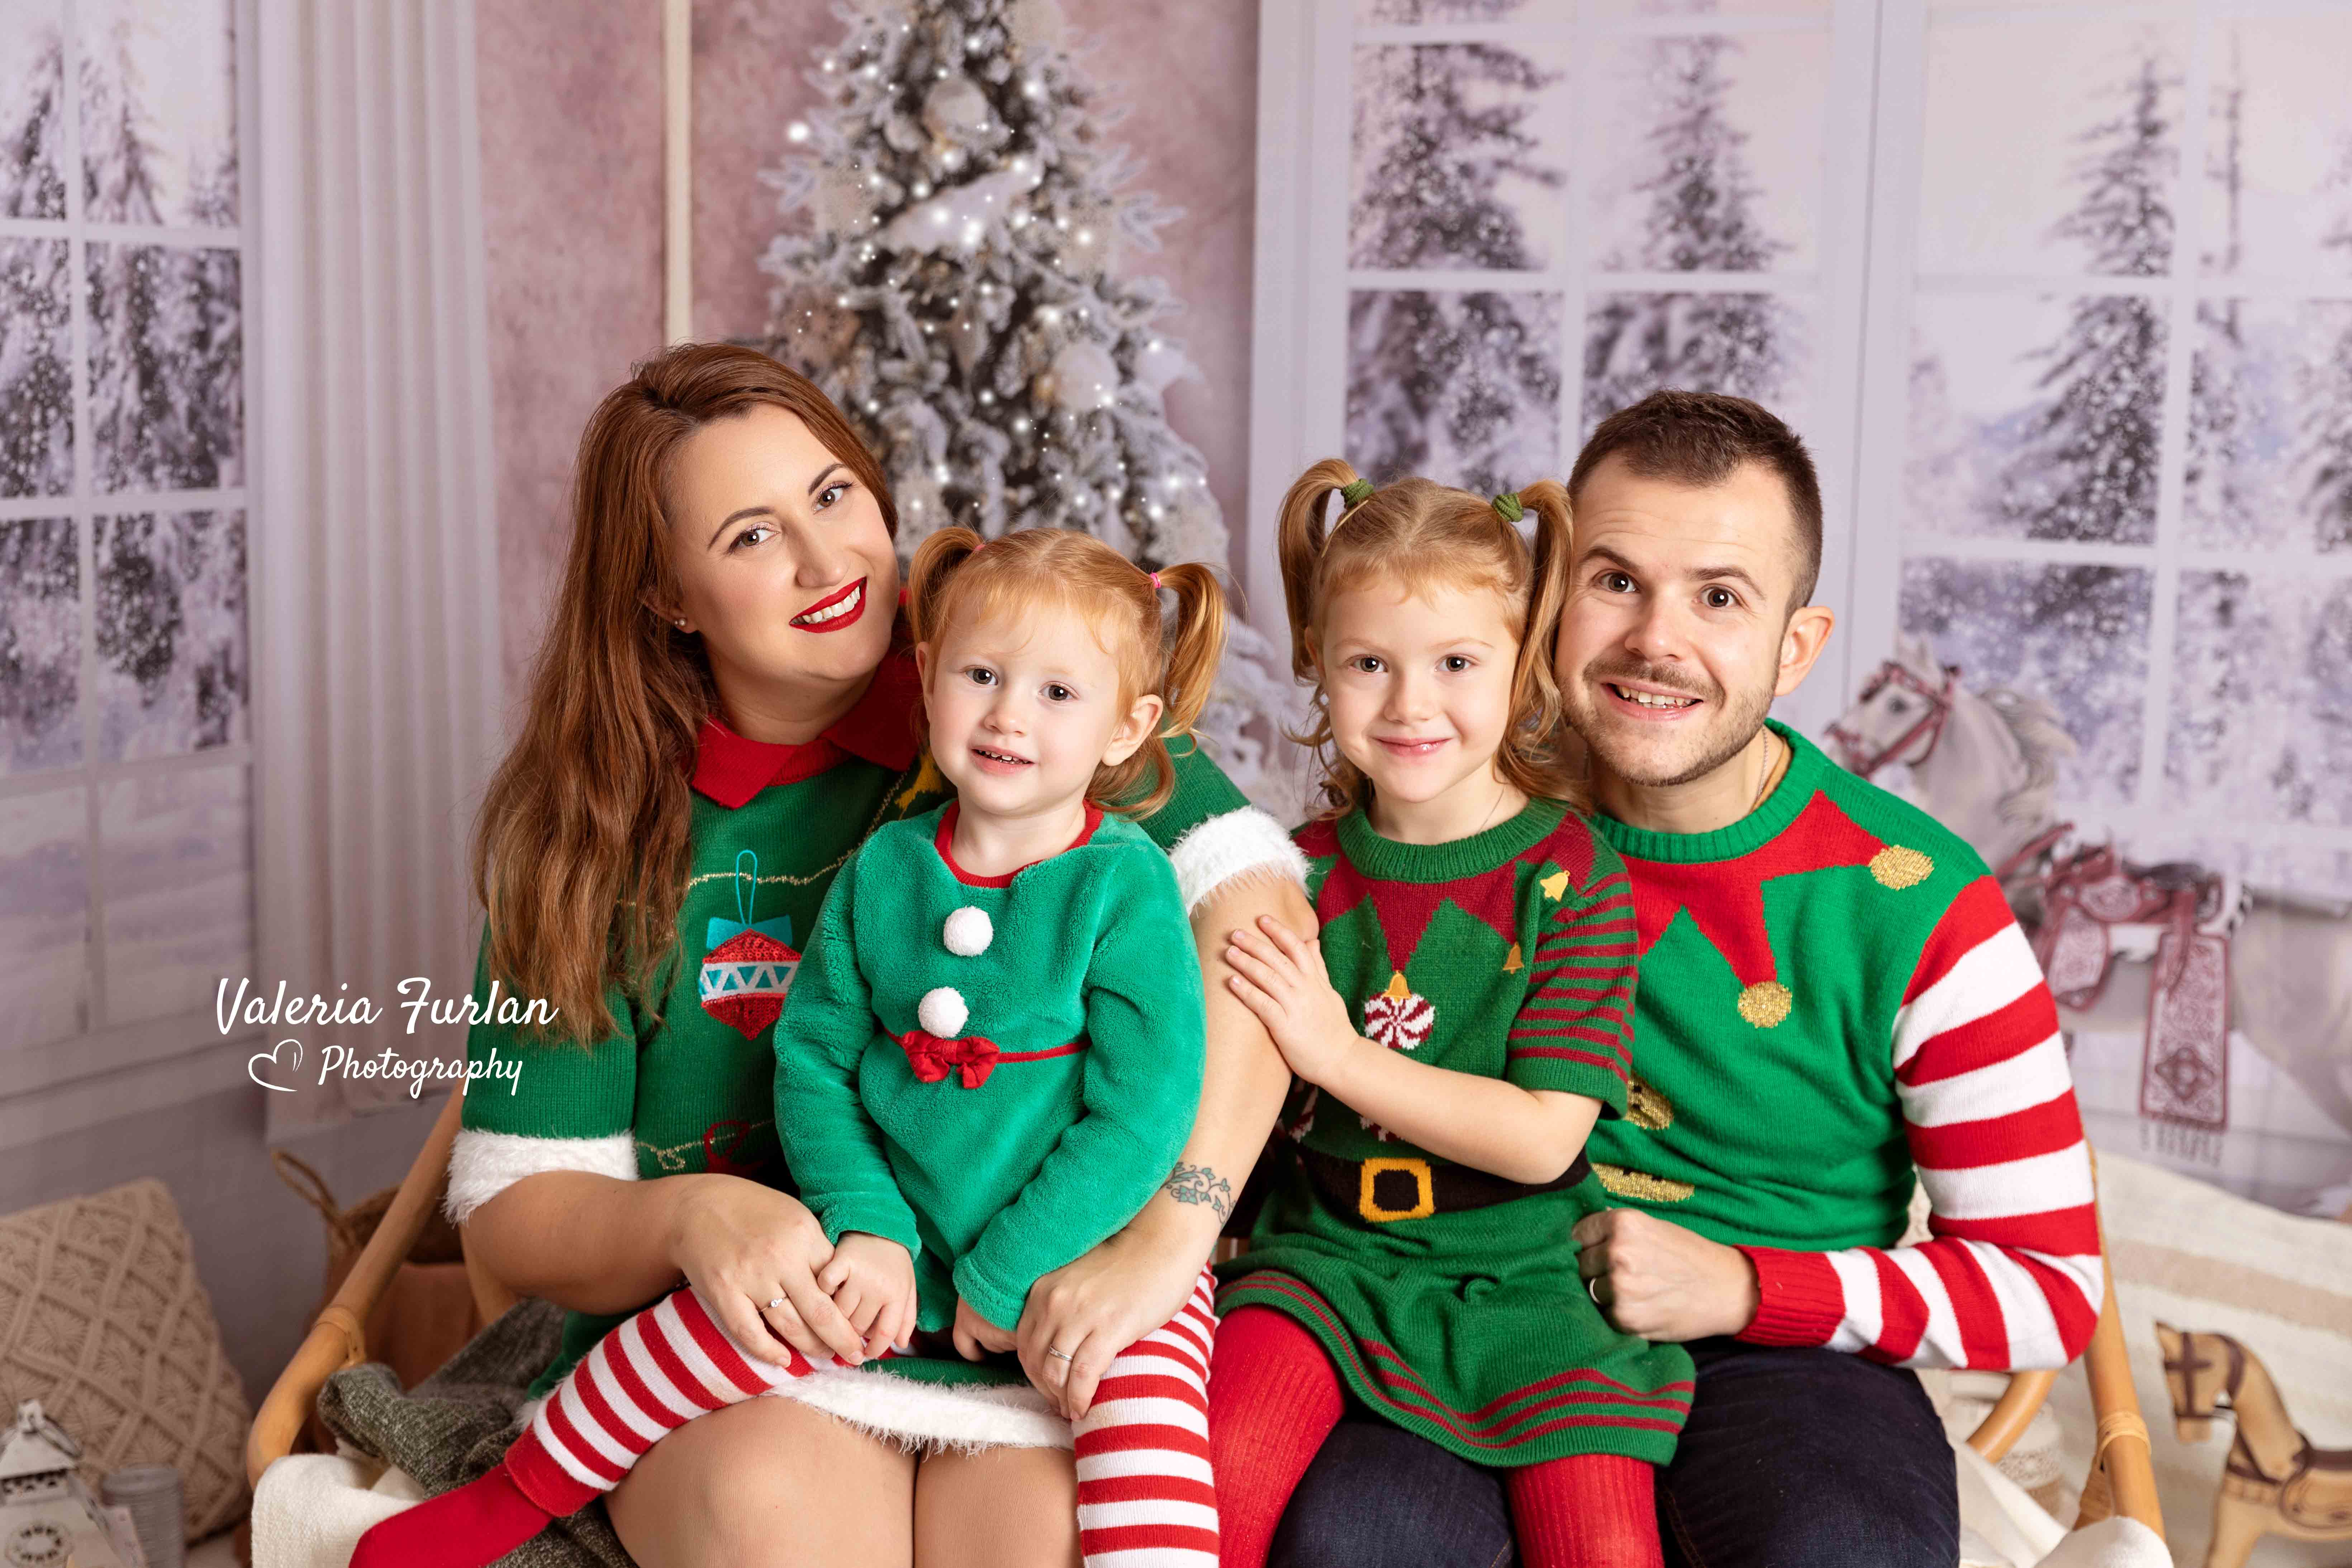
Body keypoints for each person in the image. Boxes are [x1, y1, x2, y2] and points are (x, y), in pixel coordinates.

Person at [428, 344, 1307, 1568]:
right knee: (772, 1513)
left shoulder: (1021, 692)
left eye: (833, 495)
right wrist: (690, 1217)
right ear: (665, 594)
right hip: (736, 1350)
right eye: (748, 536)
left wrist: (1167, 1237)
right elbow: (511, 1213)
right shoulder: (591, 838)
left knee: (1049, 1537)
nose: (824, 560)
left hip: (1018, 1310)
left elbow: (1262, 924)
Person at [1269, 391, 2104, 1568]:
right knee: (1363, 1538)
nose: (1654, 640)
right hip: (1461, 1295)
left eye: (1719, 597)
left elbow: (2044, 1287)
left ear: (1795, 646)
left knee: (1841, 1548)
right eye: (1614, 582)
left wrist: (1746, 1287)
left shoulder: (1922, 907)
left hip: (1775, 1354)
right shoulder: (1437, 800)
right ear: (1546, 606)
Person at [1210, 465, 1693, 1568]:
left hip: (1525, 1279)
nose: (1409, 704)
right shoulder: (1293, 874)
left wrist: (1332, 1051)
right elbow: (1219, 1106)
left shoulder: (1571, 873)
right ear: (1315, 669)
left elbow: (1543, 1134)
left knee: (1605, 1549)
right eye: (1368, 664)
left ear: (1521, 668)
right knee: (1216, 1482)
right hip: (1321, 1266)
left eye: (1455, 664)